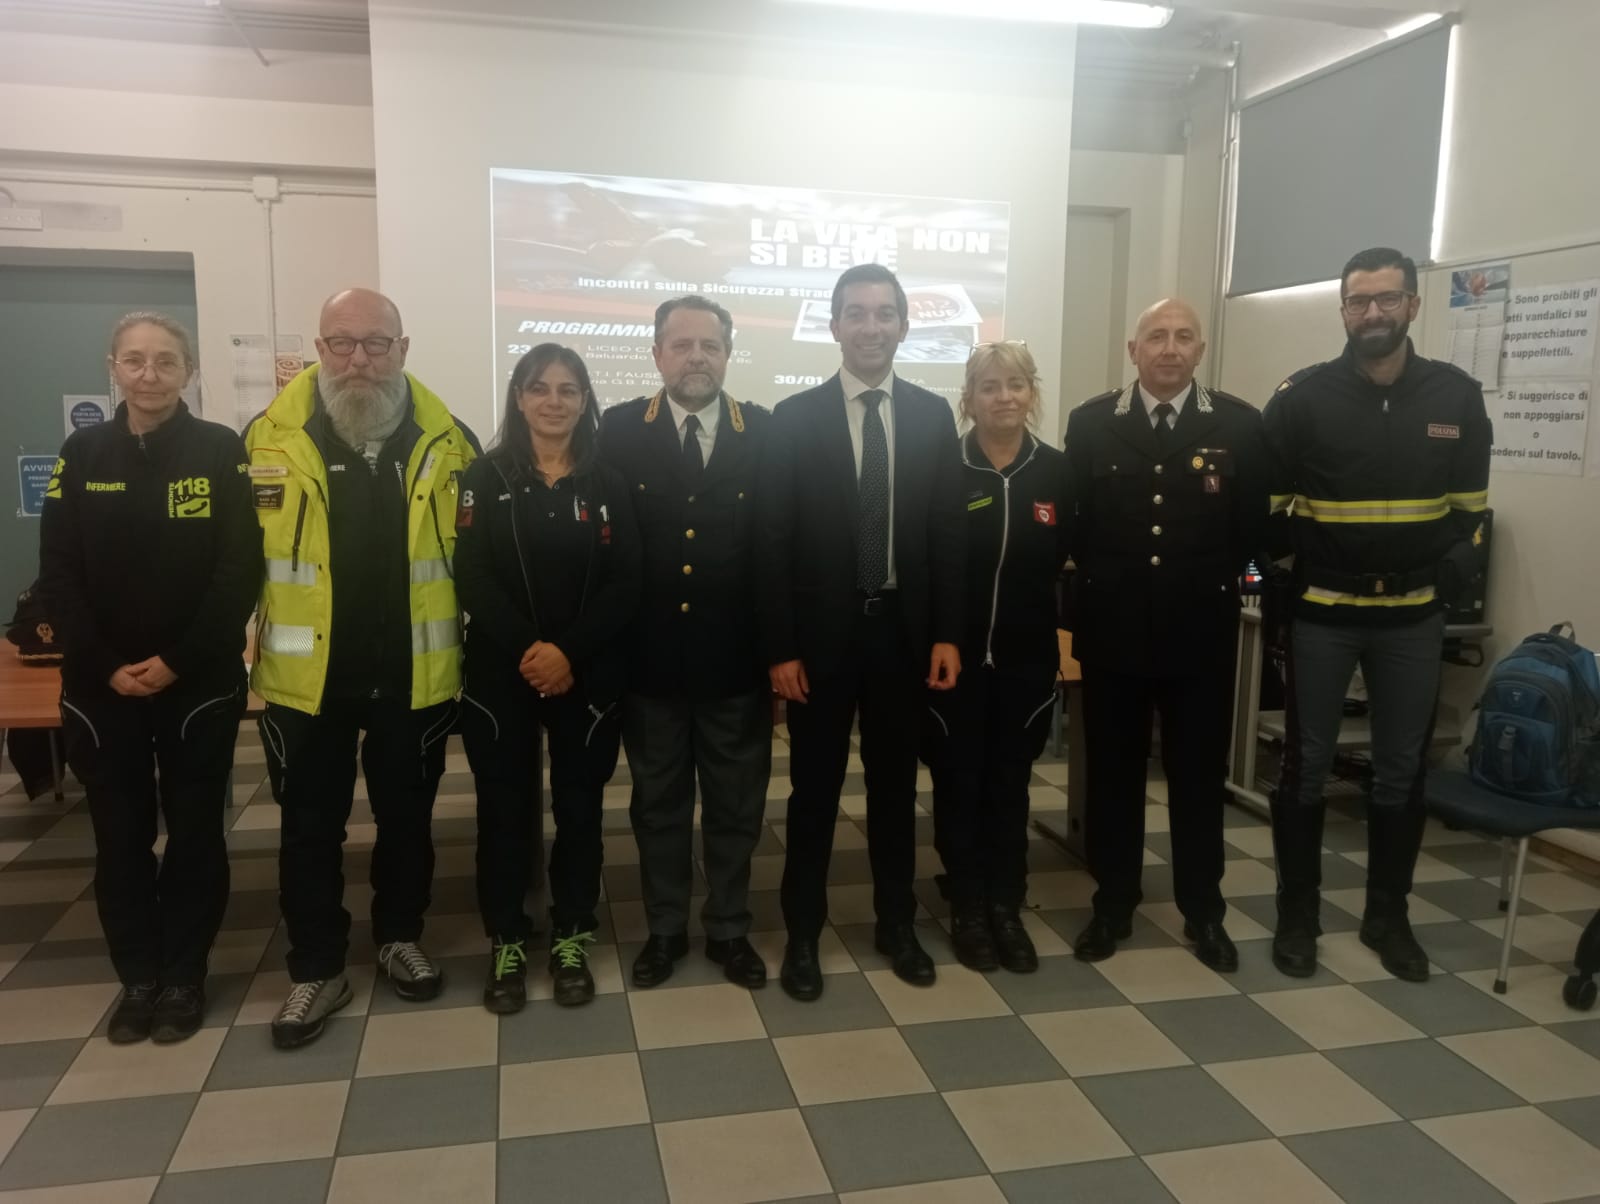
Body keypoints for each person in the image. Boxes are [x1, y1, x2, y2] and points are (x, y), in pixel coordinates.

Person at [248, 288, 478, 1049]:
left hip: (414, 676)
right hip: (304, 685)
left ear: (403, 350)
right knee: (308, 828)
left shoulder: (451, 441)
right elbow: (232, 562)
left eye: (375, 344)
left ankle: (398, 936)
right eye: (340, 343)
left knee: (407, 821)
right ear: (318, 349)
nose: (357, 360)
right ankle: (317, 965)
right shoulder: (265, 440)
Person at [1263, 247, 1491, 982]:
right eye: (1359, 301)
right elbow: (1266, 514)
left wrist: (1452, 569)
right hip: (1324, 614)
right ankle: (1298, 915)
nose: (1373, 313)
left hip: (1414, 619)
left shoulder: (1456, 397)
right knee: (1305, 769)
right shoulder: (1301, 399)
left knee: (1401, 772)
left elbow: (1472, 517)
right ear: (1343, 310)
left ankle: (1386, 918)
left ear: (1413, 306)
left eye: (1387, 299)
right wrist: (1291, 574)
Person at [39, 312, 261, 1043]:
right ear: (114, 367)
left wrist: (174, 661)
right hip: (103, 689)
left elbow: (238, 575)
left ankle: (185, 974)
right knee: (121, 836)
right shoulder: (82, 452)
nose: (149, 374)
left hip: (196, 681)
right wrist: (107, 666)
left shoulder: (219, 451)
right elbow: (59, 577)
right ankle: (139, 975)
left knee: (197, 833)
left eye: (165, 361)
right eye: (134, 360)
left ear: (189, 371)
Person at [758, 263, 966, 1001]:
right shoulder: (794, 419)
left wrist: (946, 633)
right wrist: (780, 647)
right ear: (835, 326)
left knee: (892, 789)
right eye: (856, 313)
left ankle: (895, 923)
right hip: (818, 643)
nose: (870, 326)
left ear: (905, 325)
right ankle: (804, 934)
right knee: (812, 793)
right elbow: (773, 541)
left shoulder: (933, 416)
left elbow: (945, 533)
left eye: (884, 313)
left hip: (904, 638)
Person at [1062, 298, 1269, 970]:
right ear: (1134, 351)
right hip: (1114, 633)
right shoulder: (1093, 423)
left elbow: (1250, 530)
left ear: (1201, 351)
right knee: (1114, 779)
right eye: (1157, 336)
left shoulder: (1238, 424)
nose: (1170, 348)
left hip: (1199, 637)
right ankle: (1113, 903)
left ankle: (1203, 912)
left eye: (1183, 337)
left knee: (1197, 780)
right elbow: (1077, 527)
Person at [455, 344, 639, 1012]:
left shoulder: (609, 484)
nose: (554, 402)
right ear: (519, 397)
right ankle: (507, 936)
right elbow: (469, 573)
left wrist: (566, 652)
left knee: (580, 809)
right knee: (503, 812)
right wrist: (533, 648)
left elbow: (628, 584)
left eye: (568, 390)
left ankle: (572, 933)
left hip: (587, 674)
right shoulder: (483, 476)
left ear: (585, 400)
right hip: (501, 672)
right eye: (540, 389)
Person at [598, 297, 771, 990]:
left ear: (728, 354)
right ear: (657, 354)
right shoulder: (615, 431)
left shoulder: (759, 431)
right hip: (651, 664)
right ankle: (665, 928)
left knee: (736, 807)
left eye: (710, 345)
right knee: (659, 805)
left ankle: (729, 928)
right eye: (682, 344)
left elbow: (773, 551)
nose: (697, 356)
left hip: (734, 664)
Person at [924, 341, 1068, 973]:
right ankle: (968, 907)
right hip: (950, 660)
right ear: (969, 398)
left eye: (1015, 384)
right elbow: (926, 565)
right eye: (988, 386)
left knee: (1010, 786)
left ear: (1031, 393)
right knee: (958, 783)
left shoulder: (1058, 473)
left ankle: (1007, 905)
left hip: (1026, 661)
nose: (1003, 396)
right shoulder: (943, 467)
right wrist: (940, 636)